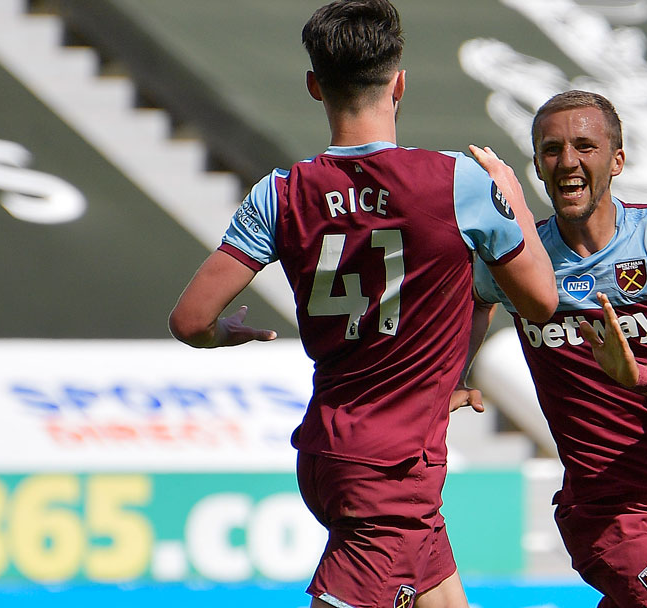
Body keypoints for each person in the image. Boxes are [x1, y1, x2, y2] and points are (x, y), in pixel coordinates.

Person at [167, 2, 558, 607]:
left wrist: (225, 334)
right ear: (400, 82)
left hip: (330, 451)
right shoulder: (460, 183)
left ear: (313, 85)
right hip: (391, 469)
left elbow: (190, 321)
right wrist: (513, 200)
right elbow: (540, 301)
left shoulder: (280, 193)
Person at [464, 90, 647, 608]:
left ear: (618, 159)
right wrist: (454, 373)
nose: (568, 162)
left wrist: (637, 377)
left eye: (585, 145)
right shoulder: (522, 259)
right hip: (607, 512)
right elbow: (474, 300)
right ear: (536, 165)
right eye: (551, 149)